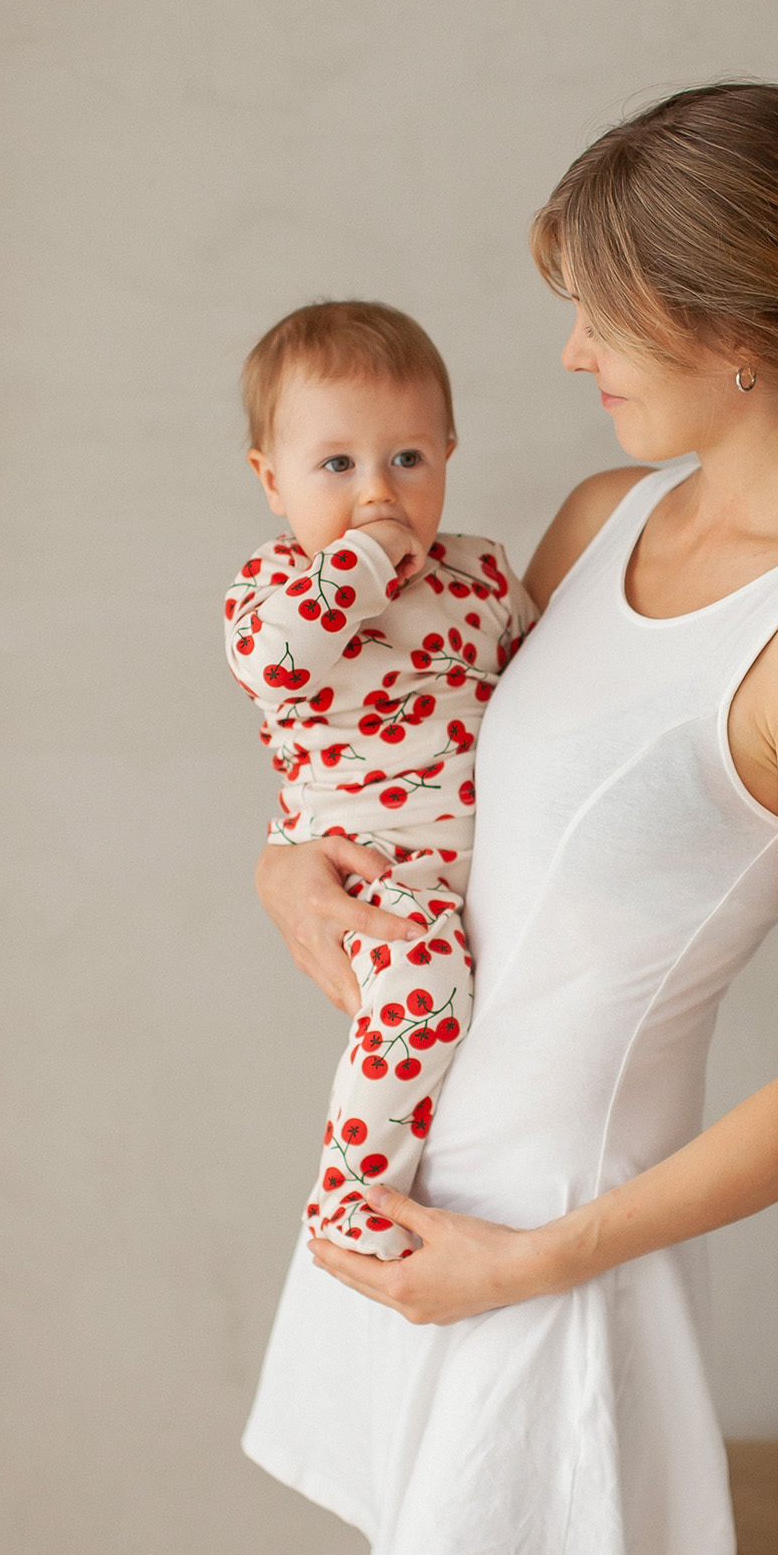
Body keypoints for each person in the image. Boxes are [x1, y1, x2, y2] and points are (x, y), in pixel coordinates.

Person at [240, 82, 778, 1555]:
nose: (572, 352)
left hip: (550, 1260)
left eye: (603, 317)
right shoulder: (597, 520)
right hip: (413, 1184)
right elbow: (414, 752)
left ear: (730, 327)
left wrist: (530, 1266)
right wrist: (284, 862)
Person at [225, 301, 536, 1260]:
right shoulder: (279, 589)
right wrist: (359, 565)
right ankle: (351, 1197)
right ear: (270, 480)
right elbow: (273, 664)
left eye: (407, 459)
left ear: (447, 456)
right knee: (423, 991)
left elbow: (544, 682)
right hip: (373, 868)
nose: (376, 493)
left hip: (486, 868)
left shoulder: (480, 574)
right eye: (336, 465)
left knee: (483, 1029)